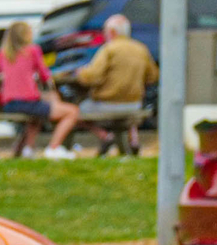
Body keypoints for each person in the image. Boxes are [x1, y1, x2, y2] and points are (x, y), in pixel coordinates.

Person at [46, 12, 154, 157]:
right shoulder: (141, 49)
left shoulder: (109, 49)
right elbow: (153, 76)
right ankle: (129, 142)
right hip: (134, 104)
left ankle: (104, 136)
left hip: (108, 103)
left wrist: (79, 73)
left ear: (112, 32)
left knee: (75, 111)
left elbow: (91, 76)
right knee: (121, 115)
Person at [0, 21, 69, 157]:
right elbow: (44, 74)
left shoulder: (4, 53)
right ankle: (53, 147)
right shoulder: (33, 50)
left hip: (9, 103)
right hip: (27, 101)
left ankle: (27, 148)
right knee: (71, 112)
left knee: (37, 114)